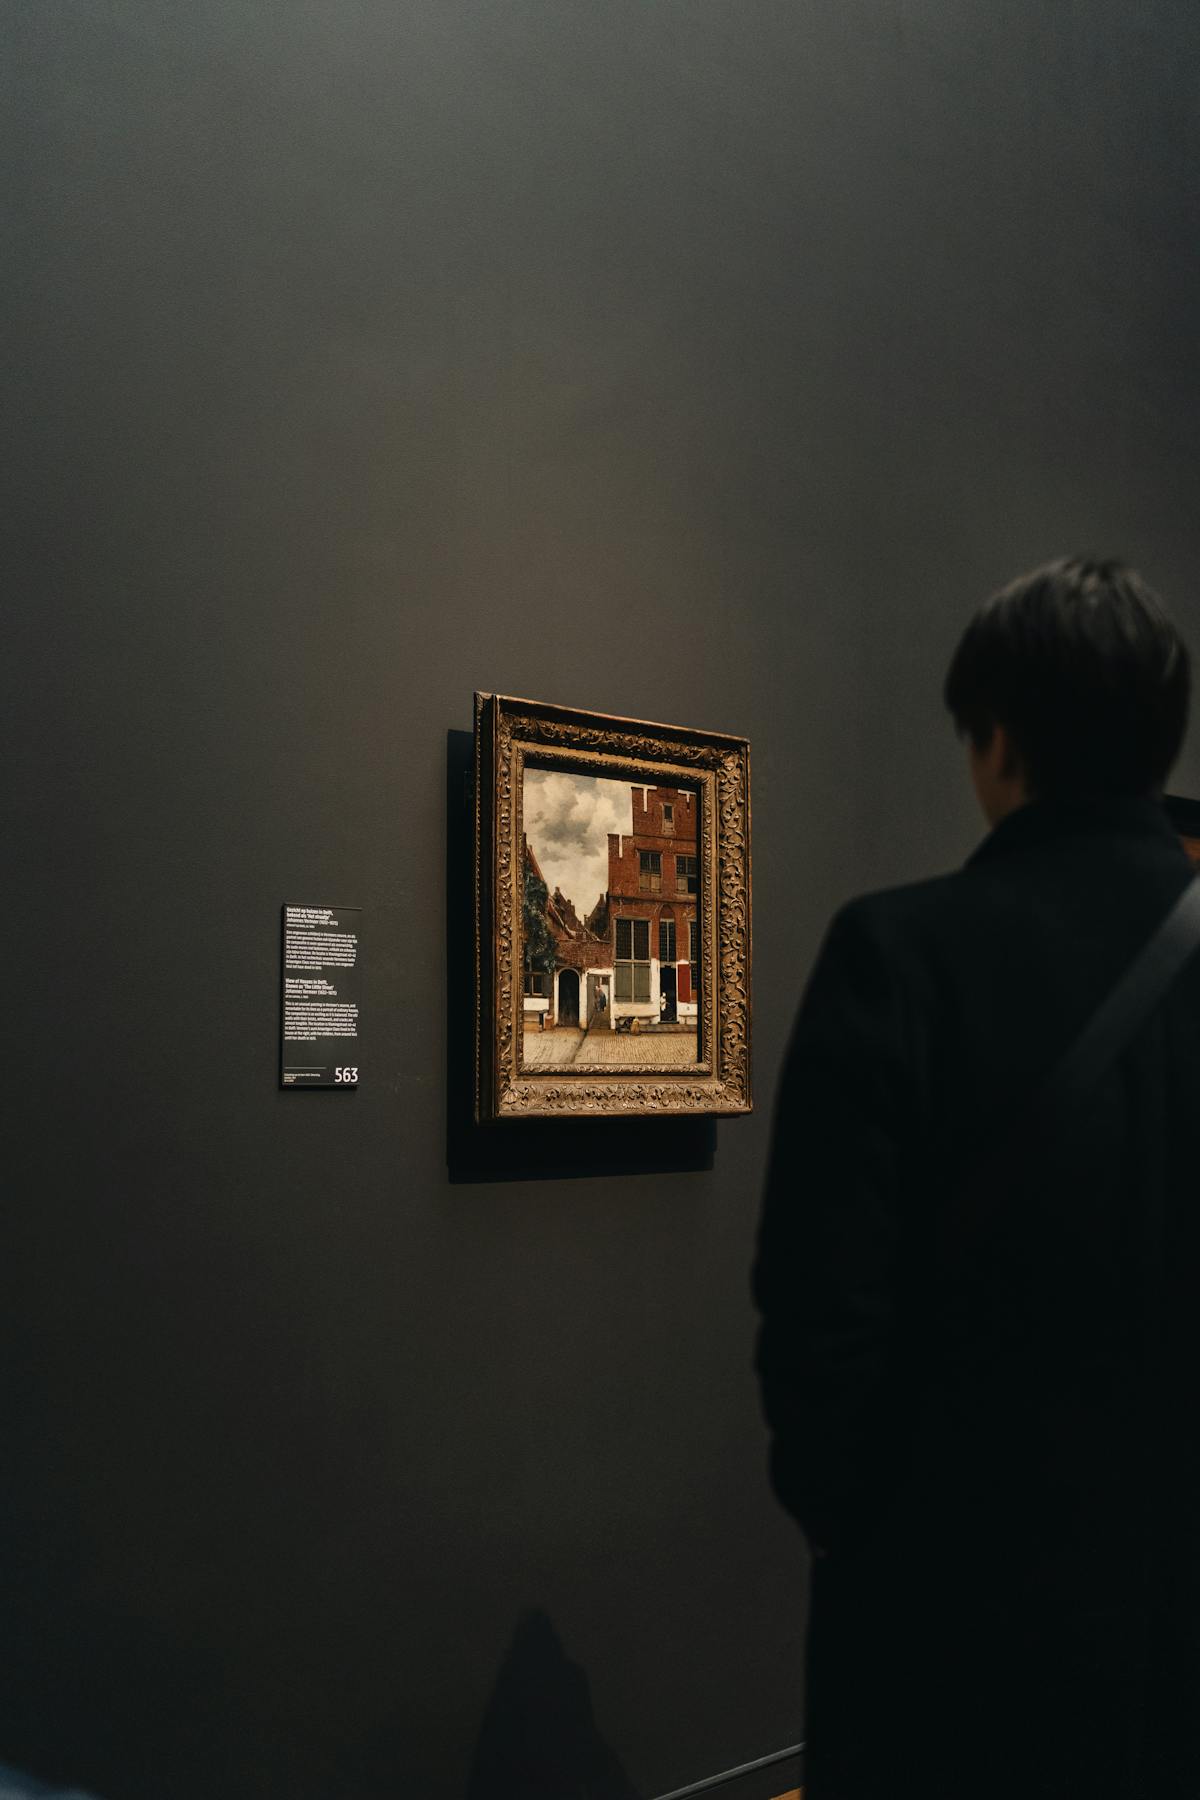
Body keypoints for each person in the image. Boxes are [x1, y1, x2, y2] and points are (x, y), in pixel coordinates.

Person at [753, 557, 1199, 1799]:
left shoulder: (897, 954)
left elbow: (815, 1302)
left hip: (953, 1609)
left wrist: (853, 1520)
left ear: (998, 741)